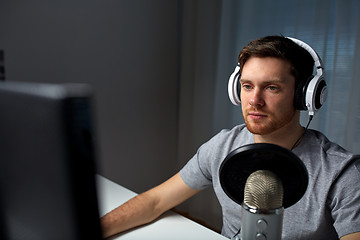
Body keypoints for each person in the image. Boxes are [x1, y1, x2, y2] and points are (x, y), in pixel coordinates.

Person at [100, 36, 360, 239]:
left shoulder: (341, 173)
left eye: (272, 88)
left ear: (304, 95)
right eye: (247, 86)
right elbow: (155, 201)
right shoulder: (224, 147)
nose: (254, 101)